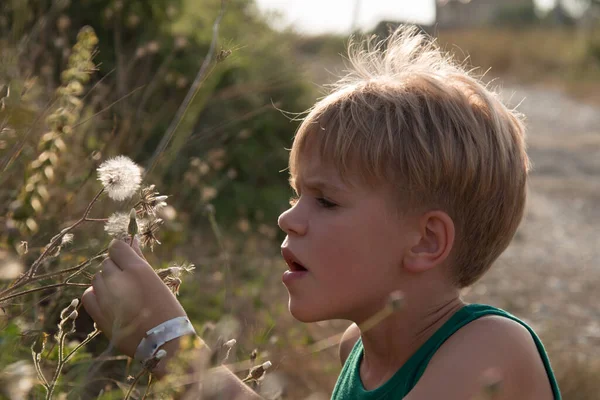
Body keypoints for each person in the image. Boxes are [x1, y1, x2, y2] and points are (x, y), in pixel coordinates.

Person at [82, 25, 561, 399]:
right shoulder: (357, 349)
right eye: (296, 196)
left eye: (326, 200)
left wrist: (174, 349)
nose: (287, 219)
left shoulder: (492, 349)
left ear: (425, 241)